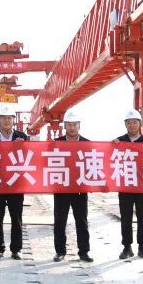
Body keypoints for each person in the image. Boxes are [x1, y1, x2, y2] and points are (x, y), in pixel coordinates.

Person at [0, 105, 28, 260]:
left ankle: (16, 249)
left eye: (9, 118)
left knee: (16, 218)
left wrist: (22, 146)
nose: (6, 121)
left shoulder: (22, 137)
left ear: (13, 120)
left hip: (16, 183)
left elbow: (31, 157)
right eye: (3, 118)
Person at [52, 110, 93, 263]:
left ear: (79, 126)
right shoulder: (56, 143)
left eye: (74, 124)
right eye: (69, 124)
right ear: (65, 126)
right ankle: (60, 251)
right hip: (61, 188)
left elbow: (92, 165)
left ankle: (84, 251)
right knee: (60, 221)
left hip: (80, 189)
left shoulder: (87, 144)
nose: (72, 127)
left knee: (81, 221)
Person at [112, 109, 143, 259]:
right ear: (125, 125)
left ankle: (142, 246)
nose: (132, 125)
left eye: (134, 122)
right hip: (125, 185)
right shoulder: (119, 141)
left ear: (140, 124)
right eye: (129, 122)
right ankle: (127, 247)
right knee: (125, 217)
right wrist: (113, 145)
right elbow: (111, 158)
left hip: (142, 186)